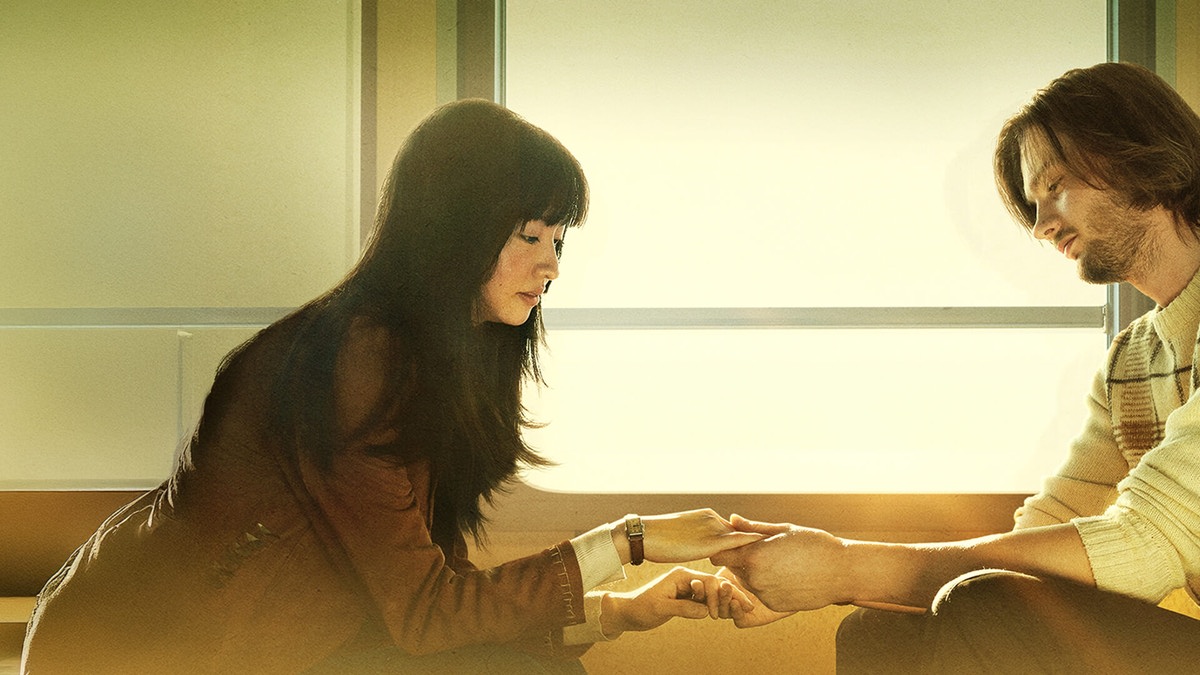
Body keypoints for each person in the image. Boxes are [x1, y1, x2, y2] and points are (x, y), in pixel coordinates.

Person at [20, 99, 760, 674]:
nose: (552, 267)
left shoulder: (433, 360)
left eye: (558, 241)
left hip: (280, 644)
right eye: (530, 236)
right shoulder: (357, 357)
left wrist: (618, 612)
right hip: (146, 650)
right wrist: (629, 540)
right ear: (457, 226)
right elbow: (427, 615)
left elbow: (439, 588)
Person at [711, 62, 1200, 673]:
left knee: (984, 605)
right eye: (1034, 204)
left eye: (1055, 187)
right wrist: (826, 581)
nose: (1042, 226)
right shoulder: (1134, 359)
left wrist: (848, 567)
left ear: (1137, 157)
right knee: (884, 629)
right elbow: (1050, 527)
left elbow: (1147, 545)